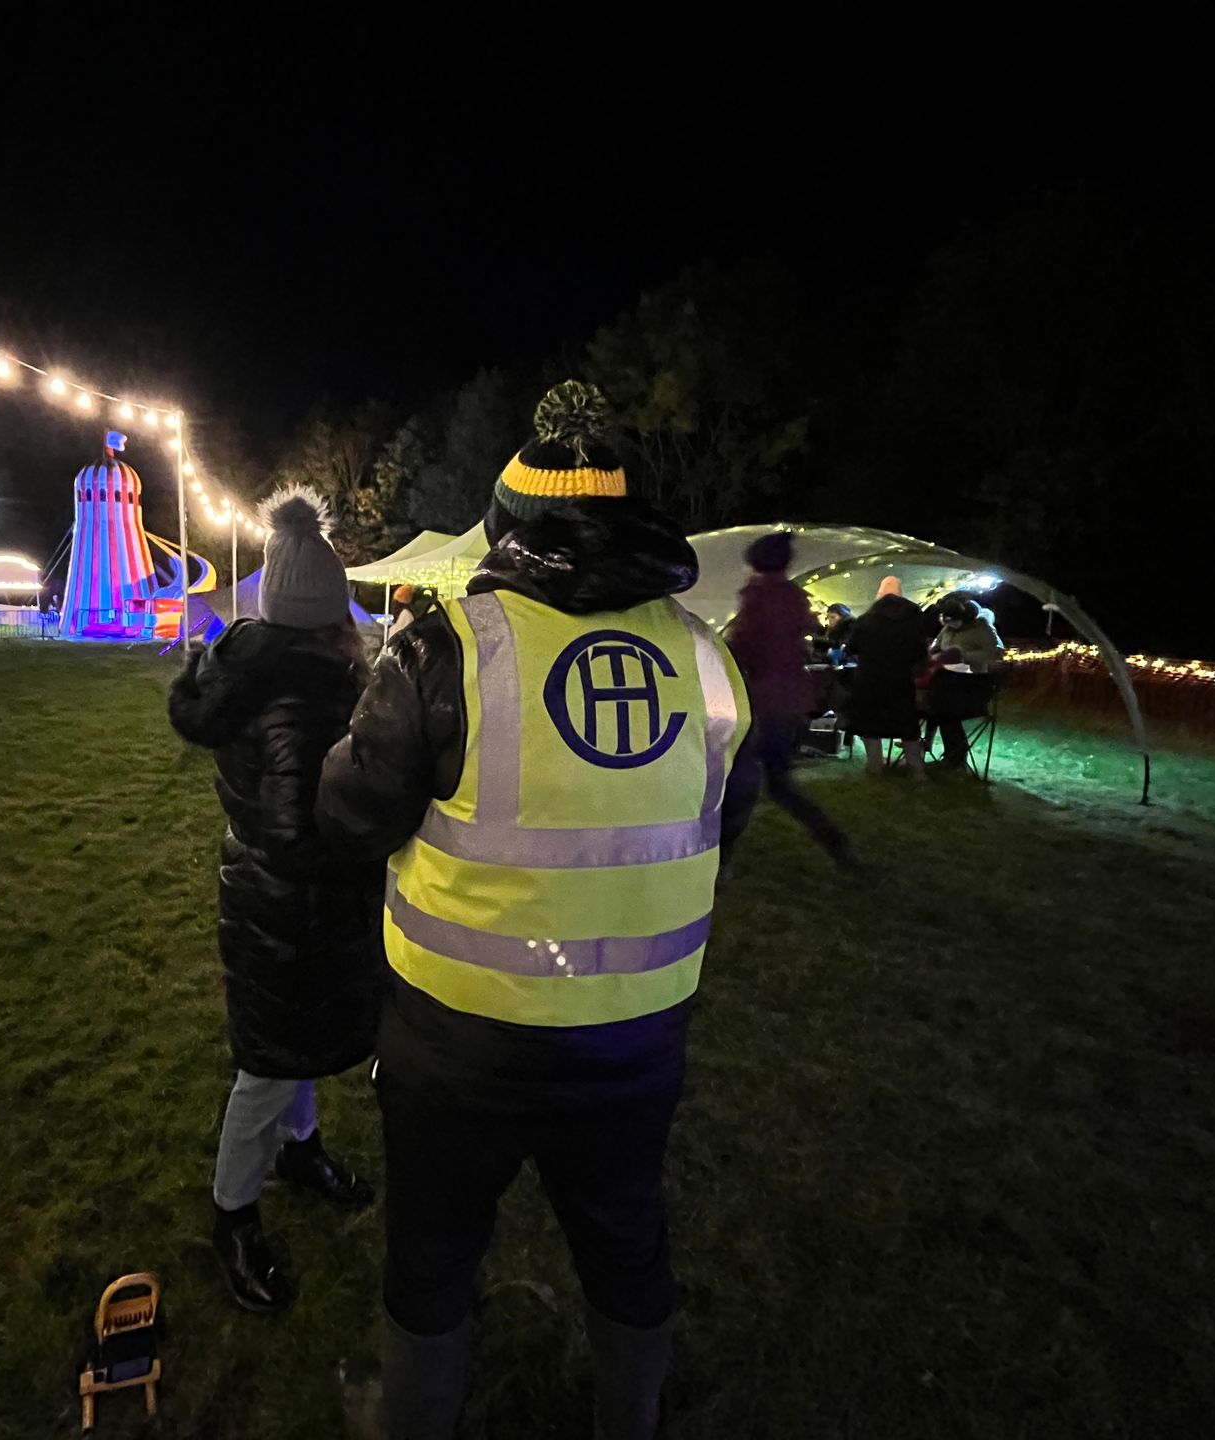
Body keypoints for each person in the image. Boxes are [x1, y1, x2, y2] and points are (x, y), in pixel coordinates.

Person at [316, 381, 752, 1440]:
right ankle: (630, 1418)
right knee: (626, 1238)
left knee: (432, 1247)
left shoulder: (446, 648)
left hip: (458, 1039)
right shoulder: (705, 657)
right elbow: (717, 824)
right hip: (636, 1035)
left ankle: (412, 1418)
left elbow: (350, 815)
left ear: (504, 527)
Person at [167, 485, 385, 1316]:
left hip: (267, 896)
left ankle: (300, 1150)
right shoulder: (301, 695)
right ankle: (233, 1215)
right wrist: (374, 848)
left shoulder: (253, 668)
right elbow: (299, 834)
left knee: (290, 1045)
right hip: (288, 907)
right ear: (324, 614)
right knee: (265, 1068)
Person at [723, 531, 851, 867]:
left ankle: (720, 862)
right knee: (779, 784)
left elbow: (744, 646)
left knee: (737, 784)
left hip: (761, 702)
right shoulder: (794, 596)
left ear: (757, 563)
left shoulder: (758, 597)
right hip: (789, 701)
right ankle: (833, 839)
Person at [846, 575, 926, 777]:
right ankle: (916, 770)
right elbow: (920, 652)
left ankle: (875, 765)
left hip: (869, 679)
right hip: (900, 680)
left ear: (879, 595)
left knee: (870, 723)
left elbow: (851, 648)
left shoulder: (865, 620)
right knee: (907, 724)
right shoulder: (913, 620)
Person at [926, 593, 1005, 767]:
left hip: (973, 683)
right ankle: (947, 753)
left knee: (945, 708)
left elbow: (994, 653)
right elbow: (936, 646)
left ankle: (955, 756)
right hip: (948, 681)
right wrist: (933, 654)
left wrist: (963, 656)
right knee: (937, 704)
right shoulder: (948, 629)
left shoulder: (982, 628)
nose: (950, 624)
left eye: (954, 620)